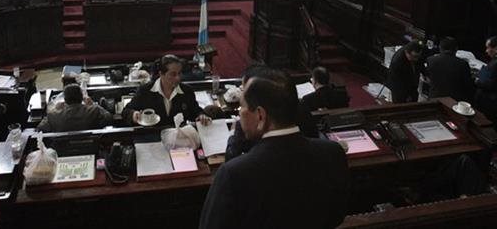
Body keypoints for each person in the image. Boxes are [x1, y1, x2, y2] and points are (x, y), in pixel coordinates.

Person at [199, 70, 349, 229]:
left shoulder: (233, 173)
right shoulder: (333, 153)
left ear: (260, 115)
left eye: (242, 106)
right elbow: (337, 216)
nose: (239, 112)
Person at [226, 64, 319, 161]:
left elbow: (232, 157)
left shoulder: (234, 171)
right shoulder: (331, 151)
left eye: (243, 89)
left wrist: (235, 132)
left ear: (260, 114)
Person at [123, 55, 210, 126]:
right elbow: (127, 111)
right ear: (161, 74)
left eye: (179, 73)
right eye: (173, 74)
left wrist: (201, 116)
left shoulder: (187, 91)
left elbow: (195, 111)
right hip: (153, 136)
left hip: (178, 138)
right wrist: (133, 114)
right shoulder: (145, 91)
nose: (178, 78)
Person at [37, 84, 113, 133]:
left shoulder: (54, 116)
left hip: (62, 149)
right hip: (88, 146)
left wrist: (55, 109)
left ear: (65, 100)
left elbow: (40, 128)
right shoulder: (93, 110)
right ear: (81, 98)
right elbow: (109, 117)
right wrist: (92, 104)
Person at [425, 37, 474, 103]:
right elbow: (468, 85)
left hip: (434, 98)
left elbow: (428, 78)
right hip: (454, 101)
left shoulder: (430, 60)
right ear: (456, 49)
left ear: (440, 48)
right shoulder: (463, 64)